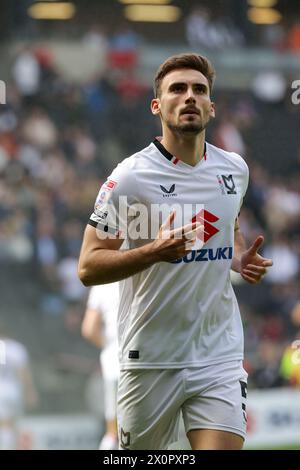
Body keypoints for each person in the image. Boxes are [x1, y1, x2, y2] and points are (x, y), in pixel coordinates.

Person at [78, 53, 273, 450]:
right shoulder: (130, 178)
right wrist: (152, 252)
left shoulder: (233, 169)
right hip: (150, 358)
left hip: (218, 354)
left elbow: (229, 221)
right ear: (157, 105)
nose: (189, 97)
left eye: (199, 90)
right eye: (177, 89)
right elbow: (88, 265)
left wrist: (237, 256)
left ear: (212, 107)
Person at [81, 282, 119, 450]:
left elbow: (89, 329)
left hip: (114, 362)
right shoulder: (148, 275)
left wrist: (109, 346)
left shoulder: (103, 285)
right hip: (149, 359)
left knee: (113, 431)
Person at [0, 327, 38, 450]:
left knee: (4, 425)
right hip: (15, 391)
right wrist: (30, 391)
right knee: (14, 424)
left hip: (1, 390)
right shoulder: (16, 348)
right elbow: (23, 373)